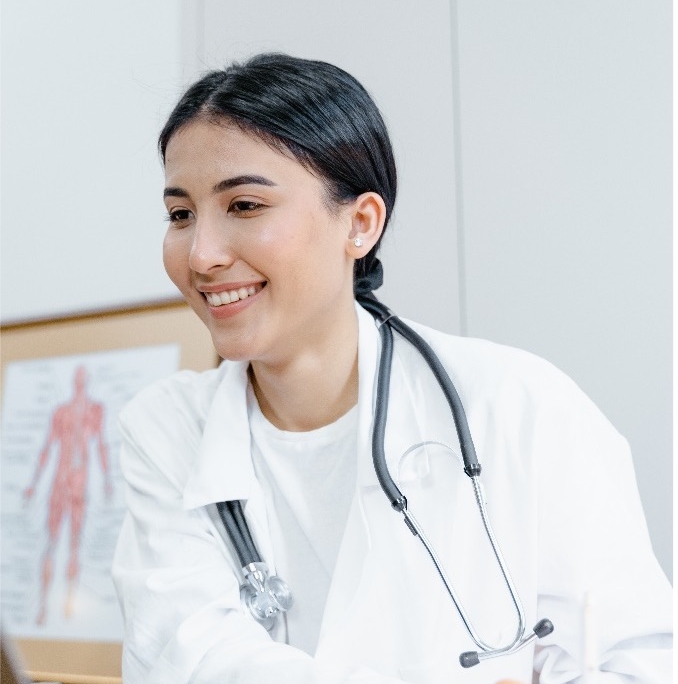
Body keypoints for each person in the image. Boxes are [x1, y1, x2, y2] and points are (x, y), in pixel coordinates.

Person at [112, 53, 672, 683]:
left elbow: (636, 662)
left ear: (360, 222)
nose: (203, 255)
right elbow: (191, 659)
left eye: (243, 205)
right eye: (180, 215)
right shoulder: (166, 431)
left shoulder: (517, 406)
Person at [24, 364, 111, 625]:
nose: (79, 381)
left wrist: (107, 479)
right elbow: (47, 446)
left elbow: (102, 445)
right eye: (77, 378)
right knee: (51, 542)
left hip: (79, 480)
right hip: (59, 479)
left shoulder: (95, 411)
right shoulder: (61, 412)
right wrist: (33, 483)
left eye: (83, 378)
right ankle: (41, 605)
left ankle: (69, 604)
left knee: (74, 542)